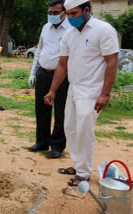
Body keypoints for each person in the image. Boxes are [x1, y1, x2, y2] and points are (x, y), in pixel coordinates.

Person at [44, 0, 119, 186]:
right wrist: (52, 90)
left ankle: (84, 174)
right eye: (67, 14)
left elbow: (112, 61)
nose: (70, 18)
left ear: (86, 10)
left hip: (93, 90)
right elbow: (62, 65)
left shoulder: (103, 30)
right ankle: (78, 166)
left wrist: (105, 94)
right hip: (74, 88)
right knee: (70, 128)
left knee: (84, 131)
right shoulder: (69, 35)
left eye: (74, 14)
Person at [28, 0, 71, 159]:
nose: (52, 16)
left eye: (56, 13)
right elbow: (39, 50)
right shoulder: (45, 28)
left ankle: (57, 145)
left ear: (64, 12)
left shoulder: (70, 29)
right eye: (50, 13)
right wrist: (33, 73)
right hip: (43, 73)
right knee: (41, 110)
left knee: (60, 111)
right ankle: (41, 142)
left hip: (62, 75)